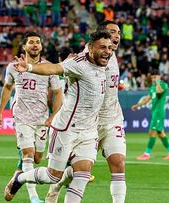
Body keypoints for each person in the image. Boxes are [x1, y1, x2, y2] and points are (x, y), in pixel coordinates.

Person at [4, 31, 113, 203]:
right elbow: (54, 68)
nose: (108, 51)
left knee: (82, 175)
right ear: (90, 48)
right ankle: (20, 178)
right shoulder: (78, 64)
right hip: (66, 129)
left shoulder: (104, 64)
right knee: (52, 176)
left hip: (89, 131)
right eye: (103, 47)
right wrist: (30, 68)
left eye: (109, 47)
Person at [45, 21, 127, 203]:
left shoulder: (111, 55)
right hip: (89, 122)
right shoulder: (86, 57)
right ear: (101, 35)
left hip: (113, 119)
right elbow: (69, 79)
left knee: (118, 163)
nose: (117, 36)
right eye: (112, 31)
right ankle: (56, 186)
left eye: (118, 32)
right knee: (78, 171)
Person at [0, 32, 63, 203]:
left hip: (42, 118)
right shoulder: (13, 67)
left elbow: (57, 93)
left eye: (38, 42)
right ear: (24, 46)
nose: (35, 45)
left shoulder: (49, 68)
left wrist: (53, 116)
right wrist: (0, 112)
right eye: (31, 42)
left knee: (38, 158)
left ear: (41, 46)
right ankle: (34, 198)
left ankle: (18, 175)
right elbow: (7, 88)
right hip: (22, 116)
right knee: (28, 154)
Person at [131, 69, 169, 160]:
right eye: (152, 77)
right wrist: (137, 105)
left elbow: (159, 91)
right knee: (160, 133)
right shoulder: (152, 87)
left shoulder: (163, 85)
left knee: (152, 132)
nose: (153, 79)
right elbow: (147, 99)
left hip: (159, 113)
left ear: (159, 77)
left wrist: (158, 82)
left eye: (155, 77)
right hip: (155, 113)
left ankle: (146, 154)